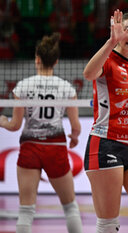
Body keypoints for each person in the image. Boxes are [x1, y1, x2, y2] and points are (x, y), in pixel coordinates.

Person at [0, 32, 82, 233]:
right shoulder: (66, 88)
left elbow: (15, 126)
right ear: (56, 61)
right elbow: (76, 125)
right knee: (70, 207)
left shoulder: (23, 86)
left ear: (37, 59)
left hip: (30, 147)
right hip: (56, 148)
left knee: (26, 210)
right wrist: (74, 137)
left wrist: (2, 121)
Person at [83, 10, 128, 233]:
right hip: (106, 143)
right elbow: (88, 74)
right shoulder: (108, 59)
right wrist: (111, 41)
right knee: (109, 223)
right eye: (127, 30)